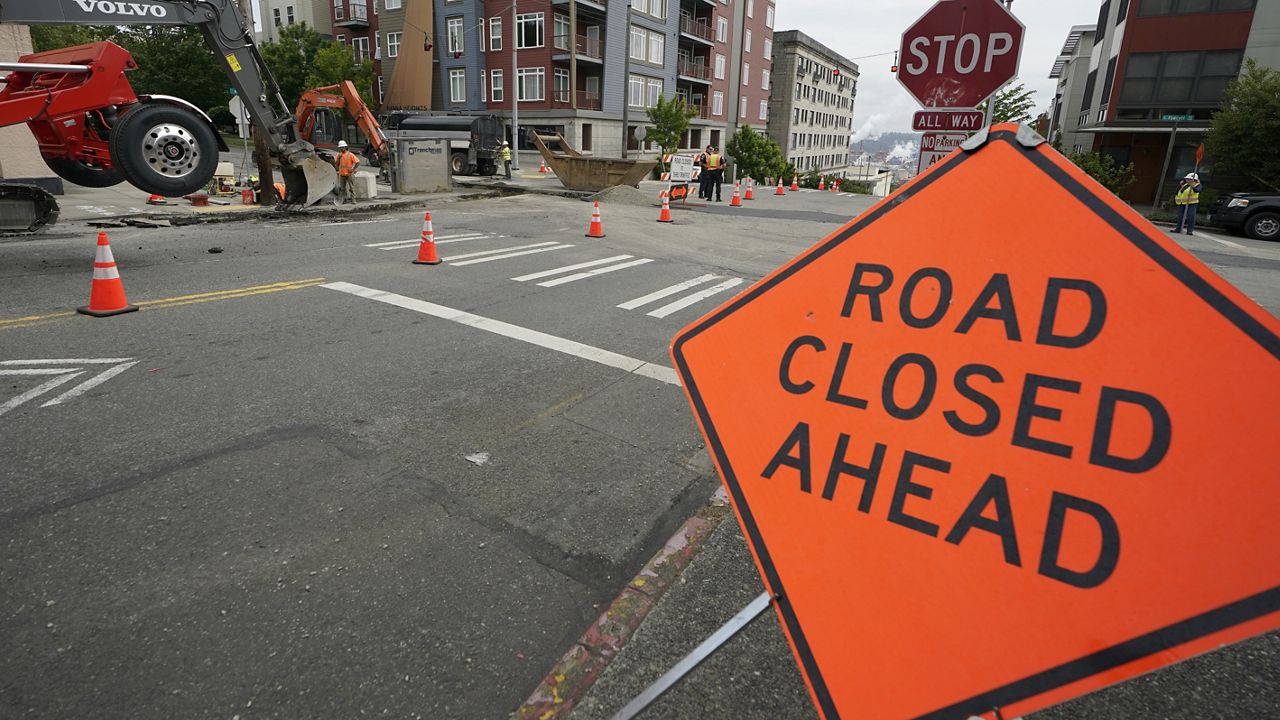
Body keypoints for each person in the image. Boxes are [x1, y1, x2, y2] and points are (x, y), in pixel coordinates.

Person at [335, 140, 360, 204]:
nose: (341, 148)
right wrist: (338, 158)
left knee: (351, 188)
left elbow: (357, 162)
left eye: (342, 147)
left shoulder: (350, 154)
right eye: (340, 147)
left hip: (349, 174)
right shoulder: (339, 155)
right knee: (343, 189)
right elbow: (337, 164)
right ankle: (344, 200)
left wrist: (353, 169)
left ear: (345, 147)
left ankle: (353, 200)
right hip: (342, 174)